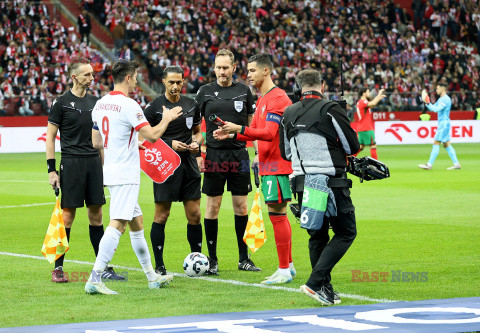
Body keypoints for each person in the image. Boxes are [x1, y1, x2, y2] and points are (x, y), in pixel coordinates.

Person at [86, 60, 182, 294]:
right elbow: (152, 136)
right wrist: (167, 118)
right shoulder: (130, 105)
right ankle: (95, 278)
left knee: (137, 223)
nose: (137, 80)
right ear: (128, 78)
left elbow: (96, 142)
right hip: (126, 174)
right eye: (136, 76)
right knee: (117, 224)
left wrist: (131, 143)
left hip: (111, 170)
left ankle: (152, 277)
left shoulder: (100, 104)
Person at [279, 69, 360, 305]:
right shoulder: (331, 109)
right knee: (346, 232)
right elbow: (351, 146)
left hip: (304, 184)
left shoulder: (288, 112)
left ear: (298, 88)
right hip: (330, 182)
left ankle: (324, 289)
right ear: (322, 86)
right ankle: (315, 282)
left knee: (318, 235)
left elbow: (286, 152)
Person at [214, 54, 295, 284]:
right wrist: (232, 133)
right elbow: (254, 131)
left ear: (266, 71)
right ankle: (288, 266)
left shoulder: (277, 98)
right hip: (269, 164)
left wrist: (238, 127)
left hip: (278, 164)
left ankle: (284, 269)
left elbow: (269, 133)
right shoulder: (263, 99)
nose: (248, 75)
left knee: (277, 215)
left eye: (251, 71)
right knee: (278, 214)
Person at [46, 57, 123, 283]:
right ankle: (58, 268)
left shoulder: (96, 103)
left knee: (96, 216)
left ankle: (103, 267)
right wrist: (52, 170)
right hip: (71, 163)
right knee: (67, 216)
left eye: (92, 74)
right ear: (74, 77)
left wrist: (105, 168)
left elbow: (99, 139)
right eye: (87, 74)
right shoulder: (60, 103)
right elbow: (50, 138)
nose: (92, 77)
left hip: (93, 162)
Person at [195, 49, 259, 275]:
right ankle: (212, 260)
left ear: (233, 68)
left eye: (225, 67)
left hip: (239, 154)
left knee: (241, 207)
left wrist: (258, 155)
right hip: (213, 155)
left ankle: (244, 259)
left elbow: (252, 127)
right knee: (212, 207)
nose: (221, 72)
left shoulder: (244, 91)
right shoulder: (204, 92)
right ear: (214, 68)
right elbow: (195, 128)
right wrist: (198, 153)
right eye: (218, 67)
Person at [142, 66, 203, 275]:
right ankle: (158, 265)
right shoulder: (154, 108)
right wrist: (169, 144)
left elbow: (197, 132)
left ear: (183, 82)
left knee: (194, 215)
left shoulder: (191, 105)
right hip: (164, 165)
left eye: (179, 82)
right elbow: (144, 139)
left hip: (189, 164)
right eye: (171, 82)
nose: (175, 86)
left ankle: (198, 260)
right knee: (162, 214)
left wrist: (196, 144)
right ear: (164, 82)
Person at [418, 83, 461, 170]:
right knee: (446, 144)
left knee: (436, 142)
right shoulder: (441, 99)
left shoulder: (445, 99)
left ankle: (429, 165)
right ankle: (456, 164)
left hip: (443, 124)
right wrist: (427, 103)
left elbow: (436, 109)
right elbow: (433, 108)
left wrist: (428, 102)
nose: (436, 90)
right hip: (444, 124)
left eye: (437, 89)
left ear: (442, 89)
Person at [354, 87, 386, 160]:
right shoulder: (362, 102)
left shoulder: (360, 102)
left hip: (361, 128)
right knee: (373, 145)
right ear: (363, 93)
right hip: (366, 128)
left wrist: (378, 96)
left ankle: (348, 161)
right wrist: (379, 95)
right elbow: (373, 103)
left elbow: (372, 104)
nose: (369, 93)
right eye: (368, 92)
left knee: (361, 147)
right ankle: (377, 165)